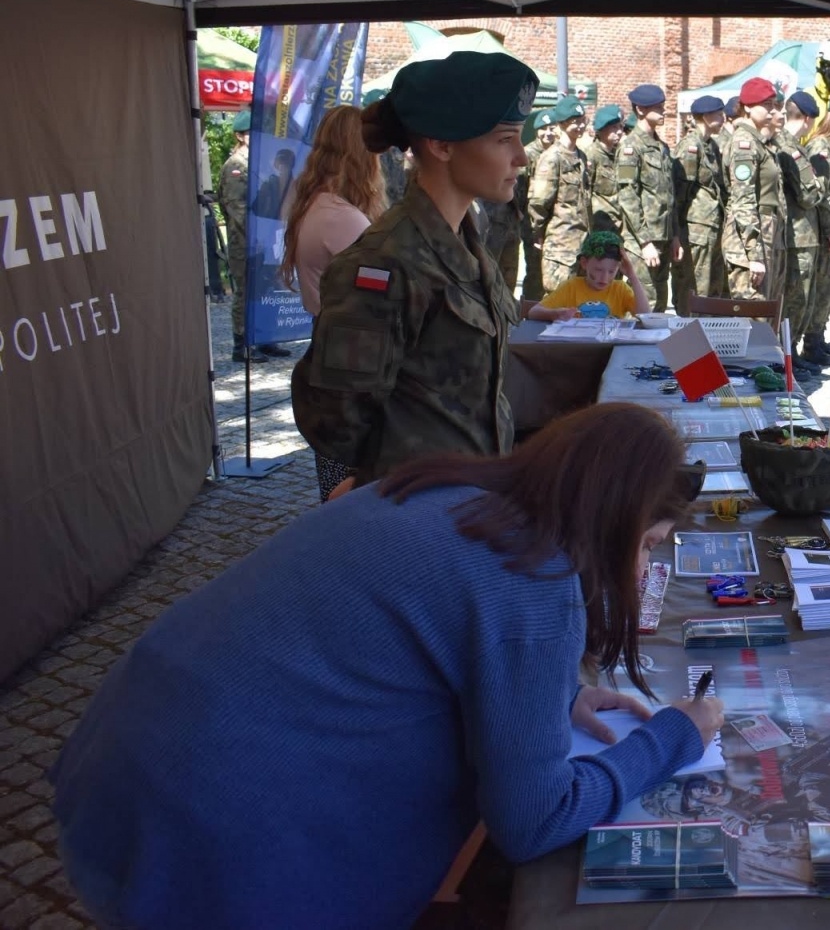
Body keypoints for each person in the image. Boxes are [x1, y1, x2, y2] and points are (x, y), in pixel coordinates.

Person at [51, 403, 725, 930]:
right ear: (610, 519)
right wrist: (674, 739)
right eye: (648, 544)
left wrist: (551, 697)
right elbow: (534, 820)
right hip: (217, 852)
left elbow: (421, 632)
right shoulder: (537, 576)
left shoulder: (445, 492)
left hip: (118, 779)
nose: (642, 570)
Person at [291, 50, 533, 488]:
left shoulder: (466, 241)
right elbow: (335, 416)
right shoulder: (384, 263)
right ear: (441, 145)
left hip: (471, 496)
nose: (522, 156)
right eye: (505, 139)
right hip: (416, 512)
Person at [277, 105, 386, 502]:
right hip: (350, 362)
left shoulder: (321, 205)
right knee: (353, 487)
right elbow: (386, 292)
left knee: (343, 481)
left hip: (336, 354)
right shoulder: (340, 216)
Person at [220, 113, 292, 363]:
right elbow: (236, 207)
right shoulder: (236, 166)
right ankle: (242, 345)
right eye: (249, 133)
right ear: (240, 136)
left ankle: (264, 338)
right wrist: (255, 235)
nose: (254, 137)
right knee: (247, 291)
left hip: (266, 238)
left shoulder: (260, 163)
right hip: (246, 241)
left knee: (266, 288)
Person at [774, 90, 827, 379]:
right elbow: (809, 194)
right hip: (798, 236)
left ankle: (790, 356)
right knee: (795, 300)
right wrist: (822, 180)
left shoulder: (785, 143)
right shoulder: (791, 147)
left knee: (797, 300)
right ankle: (786, 359)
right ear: (806, 119)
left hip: (798, 235)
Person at [722, 77, 787, 309]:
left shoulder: (760, 142)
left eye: (773, 104)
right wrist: (754, 254)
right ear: (748, 107)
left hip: (769, 232)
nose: (772, 110)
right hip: (750, 239)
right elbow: (743, 200)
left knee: (768, 313)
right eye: (766, 105)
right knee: (753, 313)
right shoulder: (744, 144)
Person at [617, 84, 677, 311]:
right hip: (641, 241)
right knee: (643, 307)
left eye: (663, 106)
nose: (663, 111)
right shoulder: (630, 148)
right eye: (657, 107)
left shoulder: (661, 147)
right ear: (640, 110)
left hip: (663, 237)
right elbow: (628, 197)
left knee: (660, 305)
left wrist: (676, 236)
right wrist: (645, 242)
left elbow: (670, 196)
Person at [528, 95, 593, 294]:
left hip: (582, 244)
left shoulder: (581, 156)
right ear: (562, 124)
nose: (580, 127)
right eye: (576, 122)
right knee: (559, 303)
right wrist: (538, 233)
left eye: (583, 122)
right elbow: (539, 202)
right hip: (560, 248)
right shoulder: (551, 158)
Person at [801, 97, 830, 365]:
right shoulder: (821, 146)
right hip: (822, 229)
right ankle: (810, 343)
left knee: (827, 289)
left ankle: (816, 339)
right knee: (820, 289)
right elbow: (823, 195)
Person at [673, 94, 729, 304]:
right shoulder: (691, 147)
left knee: (713, 288)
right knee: (695, 287)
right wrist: (677, 234)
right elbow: (680, 195)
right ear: (705, 117)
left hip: (712, 227)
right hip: (695, 230)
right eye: (719, 114)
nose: (723, 118)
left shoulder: (710, 146)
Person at [527, 230, 647, 321]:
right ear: (584, 263)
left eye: (611, 271)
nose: (604, 278)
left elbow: (645, 316)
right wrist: (556, 314)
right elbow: (533, 312)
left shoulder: (620, 289)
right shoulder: (571, 286)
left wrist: (632, 276)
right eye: (598, 270)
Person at [514, 107, 560, 301]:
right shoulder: (528, 154)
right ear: (536, 131)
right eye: (544, 128)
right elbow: (520, 191)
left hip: (554, 222)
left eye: (552, 128)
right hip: (531, 220)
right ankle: (530, 308)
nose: (548, 133)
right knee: (535, 268)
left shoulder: (559, 152)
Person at [585, 103, 627, 235]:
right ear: (601, 129)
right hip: (601, 225)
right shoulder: (591, 155)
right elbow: (586, 194)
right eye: (614, 128)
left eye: (621, 127)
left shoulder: (623, 154)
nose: (619, 132)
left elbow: (627, 185)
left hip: (622, 223)